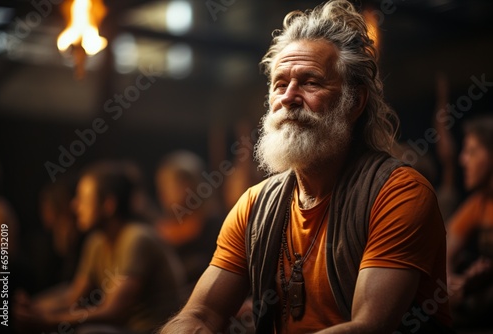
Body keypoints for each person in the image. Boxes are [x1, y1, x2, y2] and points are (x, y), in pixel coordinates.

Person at [159, 1, 453, 333]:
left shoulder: (398, 193)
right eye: (280, 84)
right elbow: (201, 315)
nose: (289, 97)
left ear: (354, 102)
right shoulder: (254, 206)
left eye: (310, 82)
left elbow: (370, 327)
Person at [14, 161, 184, 334]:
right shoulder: (96, 241)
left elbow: (113, 312)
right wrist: (34, 309)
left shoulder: (137, 238)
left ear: (108, 205)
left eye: (83, 199)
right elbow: (74, 297)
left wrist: (48, 321)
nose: (75, 205)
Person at [446, 115, 493, 329]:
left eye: (472, 152)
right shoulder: (479, 203)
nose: (463, 160)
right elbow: (442, 250)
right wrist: (450, 283)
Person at [154, 150, 222, 296]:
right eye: (161, 185)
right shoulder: (158, 230)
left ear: (192, 184)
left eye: (170, 184)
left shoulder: (214, 226)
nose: (163, 192)